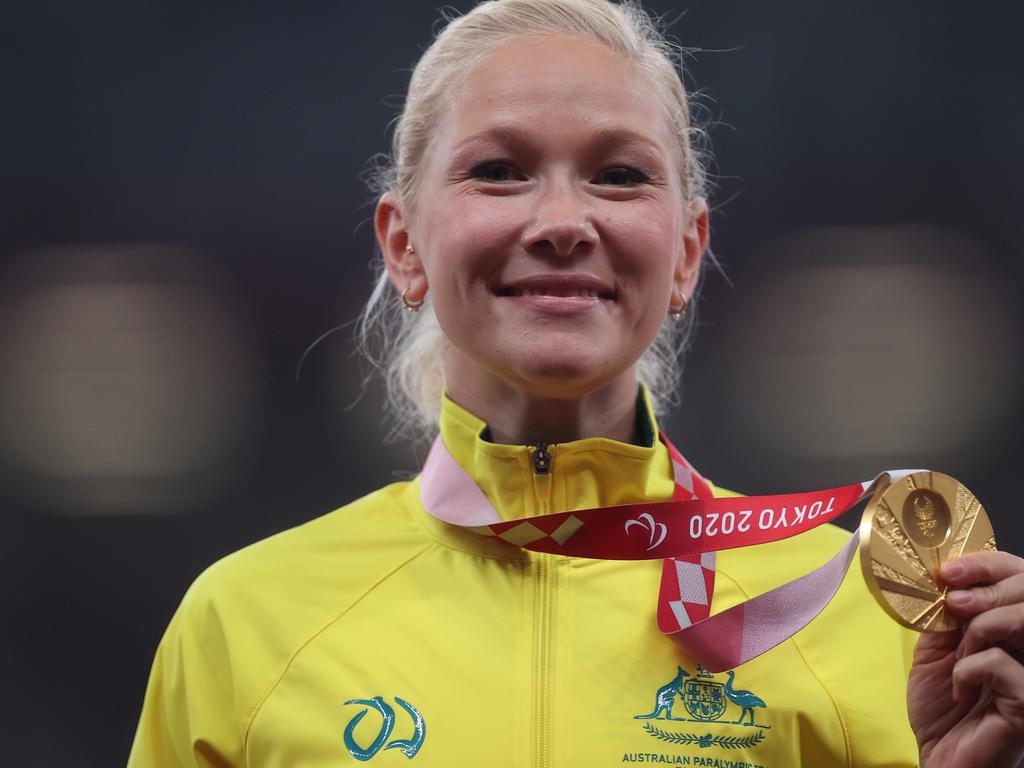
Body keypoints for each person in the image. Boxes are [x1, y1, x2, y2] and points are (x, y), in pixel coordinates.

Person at [127, 1, 1024, 766]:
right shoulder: (246, 622)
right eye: (499, 171)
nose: (563, 221)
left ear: (685, 254)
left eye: (620, 176)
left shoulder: (867, 623)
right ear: (404, 245)